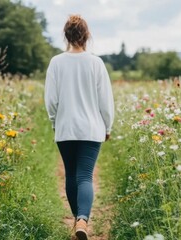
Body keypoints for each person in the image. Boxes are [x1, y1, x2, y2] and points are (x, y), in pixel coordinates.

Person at [44, 14, 114, 240]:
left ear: (66, 35)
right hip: (91, 129)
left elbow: (51, 100)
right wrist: (108, 126)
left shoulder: (56, 62)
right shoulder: (96, 63)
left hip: (66, 128)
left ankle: (78, 221)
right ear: (86, 36)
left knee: (71, 175)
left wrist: (55, 122)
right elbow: (105, 100)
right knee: (85, 176)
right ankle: (83, 219)